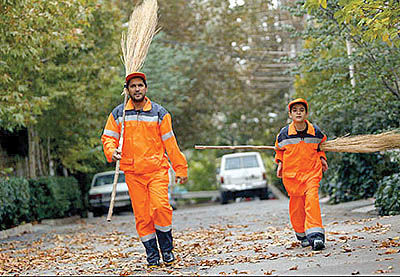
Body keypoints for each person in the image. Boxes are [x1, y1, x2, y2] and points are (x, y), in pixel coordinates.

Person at [101, 72, 188, 267]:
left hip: (156, 170)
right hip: (132, 173)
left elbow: (171, 144)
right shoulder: (118, 114)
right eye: (133, 86)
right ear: (127, 90)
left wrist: (180, 169)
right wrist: (111, 151)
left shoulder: (159, 113)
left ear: (146, 88)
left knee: (160, 208)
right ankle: (152, 255)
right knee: (142, 216)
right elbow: (108, 138)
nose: (137, 89)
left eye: (140, 85)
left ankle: (167, 250)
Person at [274, 98, 328, 251]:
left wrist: (322, 158)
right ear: (290, 114)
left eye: (301, 110)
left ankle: (316, 236)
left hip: (312, 172)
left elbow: (321, 146)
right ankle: (302, 235)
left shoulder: (315, 131)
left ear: (306, 113)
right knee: (297, 207)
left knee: (312, 201)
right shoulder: (284, 134)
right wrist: (280, 163)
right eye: (295, 110)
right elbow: (279, 151)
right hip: (292, 176)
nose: (298, 112)